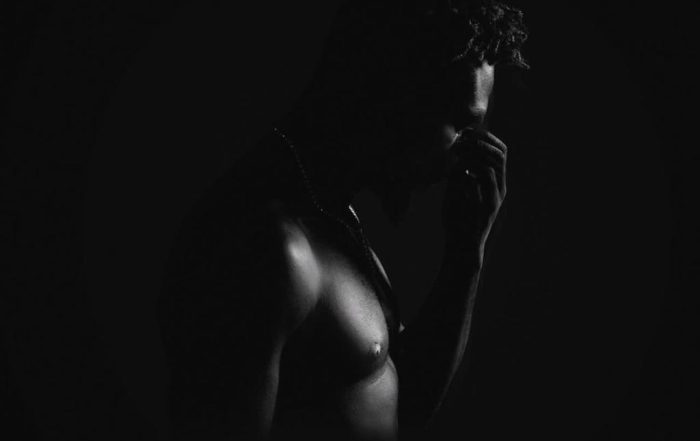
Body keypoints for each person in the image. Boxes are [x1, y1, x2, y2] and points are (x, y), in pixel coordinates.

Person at [156, 1, 528, 440]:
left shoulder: (332, 214)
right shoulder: (267, 246)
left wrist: (466, 254)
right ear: (398, 95)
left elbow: (403, 408)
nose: (466, 154)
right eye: (462, 126)